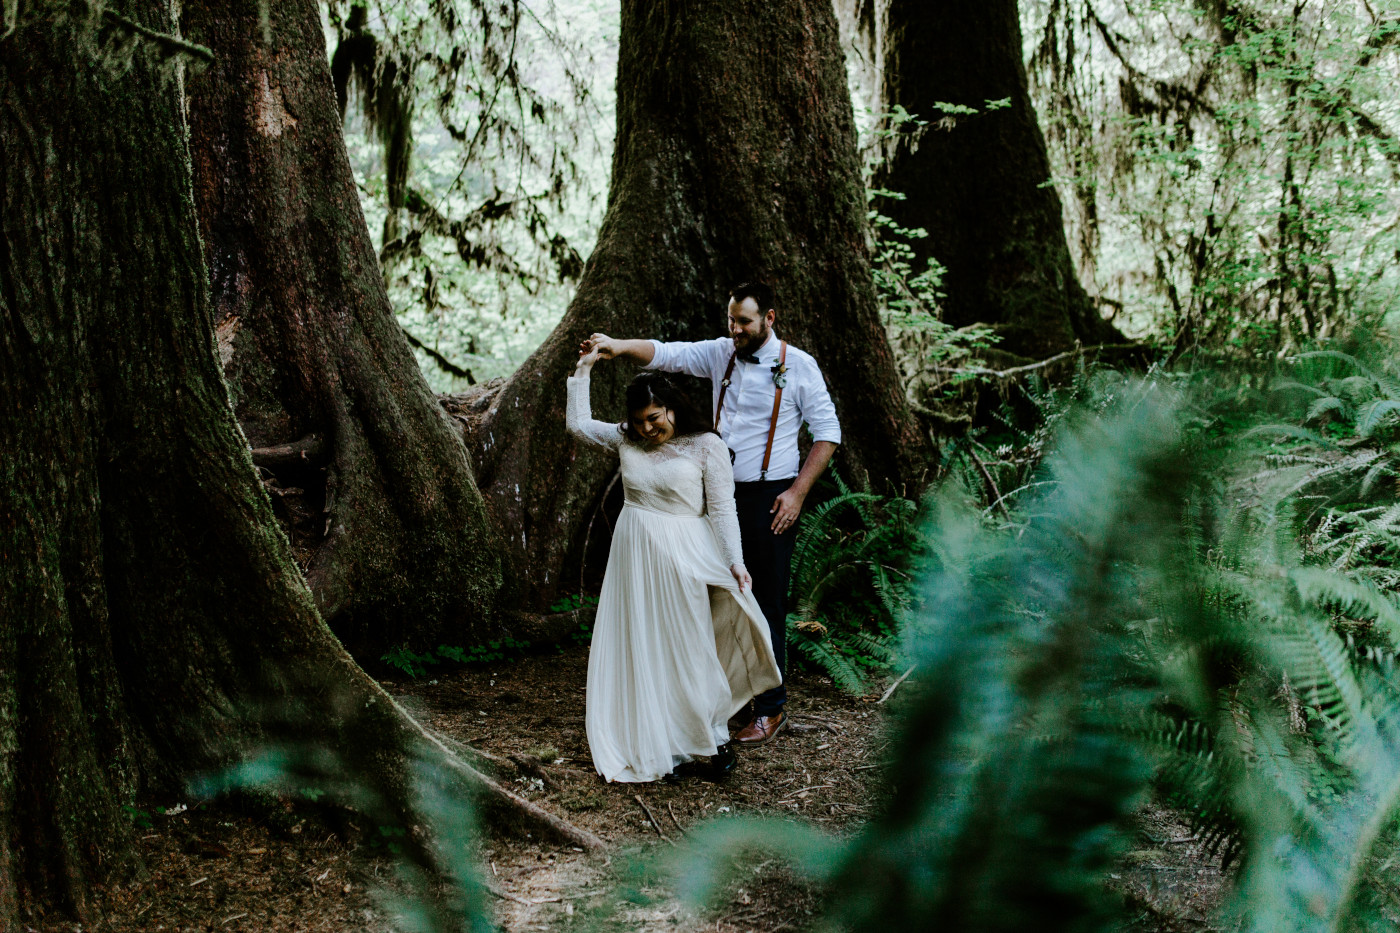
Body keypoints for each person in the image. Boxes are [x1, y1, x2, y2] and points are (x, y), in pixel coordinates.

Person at [580, 281, 840, 746]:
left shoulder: (800, 367)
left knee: (761, 598)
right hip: (705, 490)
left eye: (744, 321)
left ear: (770, 319)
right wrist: (618, 347)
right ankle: (719, 696)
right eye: (731, 320)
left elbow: (828, 434)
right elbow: (667, 354)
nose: (735, 329)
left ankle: (771, 707)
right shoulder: (721, 353)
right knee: (706, 595)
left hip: (769, 496)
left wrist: (797, 493)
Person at [567, 347, 782, 783]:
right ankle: (662, 745)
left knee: (689, 649)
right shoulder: (627, 437)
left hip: (684, 557)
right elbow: (578, 425)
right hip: (634, 559)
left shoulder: (707, 446)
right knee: (645, 649)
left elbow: (722, 511)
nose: (647, 429)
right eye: (640, 421)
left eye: (655, 418)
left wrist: (736, 564)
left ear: (672, 408)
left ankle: (713, 740)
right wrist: (583, 370)